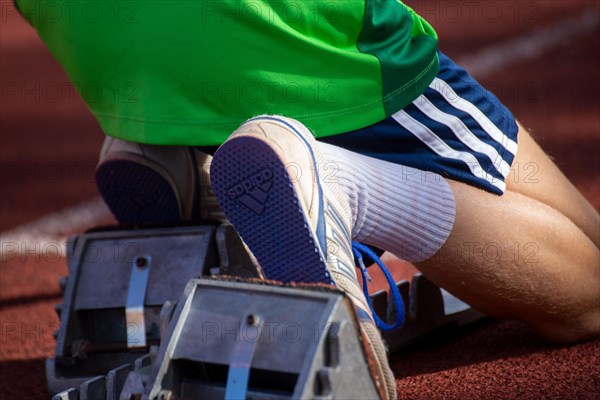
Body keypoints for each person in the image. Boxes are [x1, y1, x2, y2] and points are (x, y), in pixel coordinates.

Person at [16, 1, 599, 399]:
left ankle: (180, 155)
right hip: (286, 43)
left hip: (116, 61)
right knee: (590, 288)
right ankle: (331, 180)